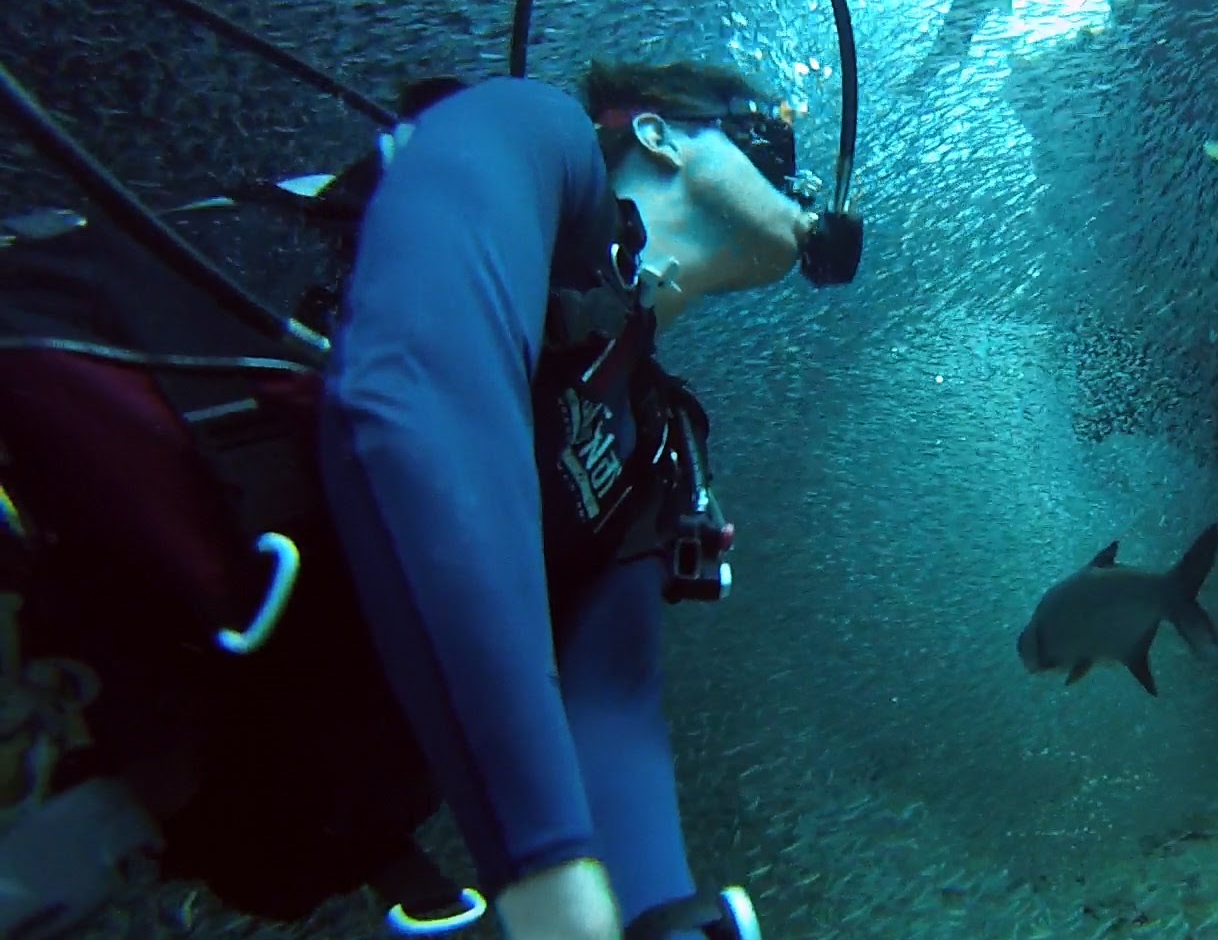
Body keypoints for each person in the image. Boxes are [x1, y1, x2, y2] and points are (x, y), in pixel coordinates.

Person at [314, 60, 855, 940]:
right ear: (655, 133)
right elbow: (412, 394)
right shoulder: (540, 136)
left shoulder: (652, 450)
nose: (793, 181)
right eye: (768, 145)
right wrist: (548, 869)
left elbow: (613, 712)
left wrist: (660, 919)